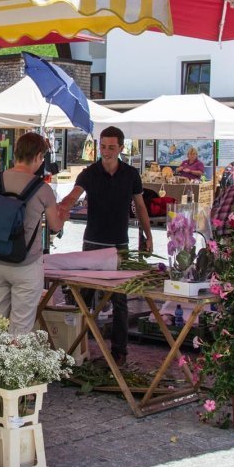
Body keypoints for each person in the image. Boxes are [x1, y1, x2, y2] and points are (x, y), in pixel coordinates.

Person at [58, 126, 153, 364]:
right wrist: (60, 211)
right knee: (83, 298)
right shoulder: (89, 173)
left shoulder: (131, 174)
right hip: (92, 244)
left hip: (120, 245)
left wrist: (148, 235)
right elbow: (73, 196)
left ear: (121, 148)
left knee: (120, 299)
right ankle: (76, 348)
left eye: (112, 147)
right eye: (103, 146)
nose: (107, 152)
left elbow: (140, 207)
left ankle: (119, 351)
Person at [0, 132, 65, 334]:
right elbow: (55, 226)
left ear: (16, 153)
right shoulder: (43, 189)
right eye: (42, 158)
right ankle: (13, 365)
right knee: (20, 329)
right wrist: (63, 215)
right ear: (37, 156)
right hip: (24, 264)